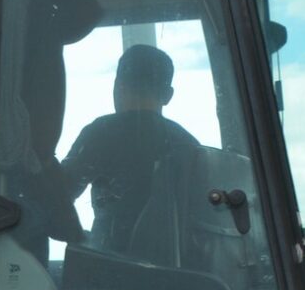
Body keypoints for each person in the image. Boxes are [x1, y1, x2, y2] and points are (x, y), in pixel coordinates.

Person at [59, 43, 205, 262]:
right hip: (179, 274)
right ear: (167, 95)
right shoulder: (189, 144)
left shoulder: (101, 132)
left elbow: (61, 195)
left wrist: (79, 238)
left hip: (112, 271)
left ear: (118, 86)